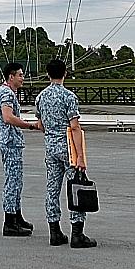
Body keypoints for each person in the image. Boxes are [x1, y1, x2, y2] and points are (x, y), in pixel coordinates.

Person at [34, 58, 97, 248]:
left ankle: (54, 232)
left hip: (50, 148)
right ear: (65, 74)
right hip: (68, 148)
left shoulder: (41, 97)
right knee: (75, 187)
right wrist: (79, 156)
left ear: (47, 74)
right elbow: (75, 127)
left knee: (52, 189)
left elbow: (40, 124)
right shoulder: (69, 97)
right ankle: (77, 233)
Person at [0, 62, 41, 236]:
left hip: (8, 140)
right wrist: (30, 126)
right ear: (11, 76)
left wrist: (0, 128)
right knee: (13, 182)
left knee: (16, 181)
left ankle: (17, 216)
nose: (22, 78)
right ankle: (10, 221)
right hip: (11, 143)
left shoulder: (1, 91)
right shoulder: (6, 93)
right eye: (20, 75)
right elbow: (8, 116)